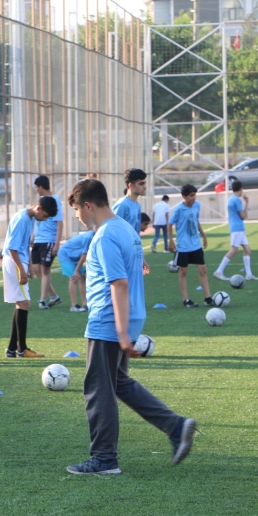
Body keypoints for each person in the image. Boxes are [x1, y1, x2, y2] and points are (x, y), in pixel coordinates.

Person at [66, 178, 197, 475]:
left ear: (88, 205)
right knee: (119, 382)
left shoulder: (105, 236)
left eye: (76, 210)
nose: (77, 217)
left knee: (98, 389)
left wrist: (122, 333)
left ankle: (104, 459)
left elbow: (119, 283)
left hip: (109, 320)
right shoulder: (125, 228)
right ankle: (176, 426)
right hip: (129, 316)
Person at [3, 195, 58, 358]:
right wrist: (21, 269)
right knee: (24, 303)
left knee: (21, 303)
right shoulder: (22, 219)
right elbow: (12, 248)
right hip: (14, 261)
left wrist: (30, 267)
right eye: (46, 215)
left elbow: (25, 244)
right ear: (38, 208)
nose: (45, 219)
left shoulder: (29, 218)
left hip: (19, 261)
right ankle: (22, 349)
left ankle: (12, 349)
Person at [168, 185, 215, 308]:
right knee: (183, 271)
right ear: (184, 196)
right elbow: (170, 224)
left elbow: (196, 221)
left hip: (195, 244)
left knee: (203, 269)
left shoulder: (197, 205)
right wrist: (171, 242)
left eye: (195, 195)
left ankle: (208, 298)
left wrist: (204, 236)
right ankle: (186, 299)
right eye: (191, 195)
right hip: (183, 245)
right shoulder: (179, 209)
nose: (194, 197)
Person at [214, 180, 258, 282]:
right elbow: (243, 216)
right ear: (241, 188)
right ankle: (219, 271)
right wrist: (246, 204)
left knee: (247, 250)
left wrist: (246, 203)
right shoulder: (237, 200)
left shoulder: (231, 199)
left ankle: (249, 274)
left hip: (238, 228)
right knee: (234, 250)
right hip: (237, 228)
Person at [32, 175, 63, 310]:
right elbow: (37, 220)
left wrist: (57, 243)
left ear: (41, 187)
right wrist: (33, 235)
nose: (36, 190)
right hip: (38, 240)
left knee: (45, 269)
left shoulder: (55, 201)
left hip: (49, 240)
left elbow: (60, 223)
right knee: (36, 268)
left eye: (36, 187)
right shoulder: (40, 201)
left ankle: (43, 300)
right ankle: (54, 296)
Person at [113, 168, 150, 274]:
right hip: (122, 256)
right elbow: (112, 231)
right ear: (131, 185)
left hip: (133, 253)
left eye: (144, 183)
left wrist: (141, 258)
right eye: (141, 183)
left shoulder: (137, 205)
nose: (145, 186)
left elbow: (135, 234)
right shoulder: (122, 205)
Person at [57, 226, 94, 312]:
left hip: (75, 256)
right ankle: (74, 305)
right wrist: (76, 270)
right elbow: (84, 255)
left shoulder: (97, 237)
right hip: (65, 255)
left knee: (83, 277)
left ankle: (85, 304)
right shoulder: (89, 237)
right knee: (74, 277)